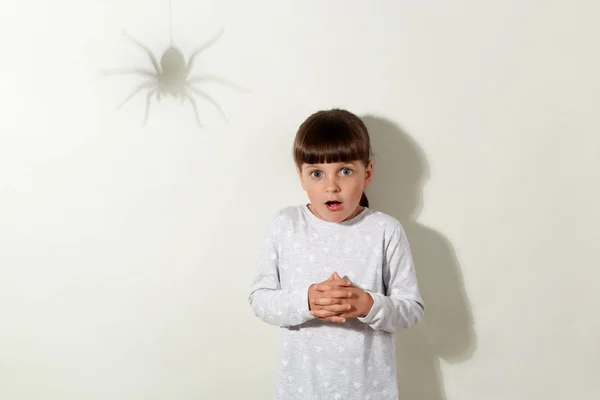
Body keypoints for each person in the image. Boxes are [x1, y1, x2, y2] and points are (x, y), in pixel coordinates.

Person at [248, 108, 424, 399]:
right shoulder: (285, 224)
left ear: (367, 173)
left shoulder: (385, 230)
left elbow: (410, 310)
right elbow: (260, 299)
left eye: (345, 171)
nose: (331, 186)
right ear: (301, 177)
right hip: (301, 391)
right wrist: (307, 301)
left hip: (369, 392)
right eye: (317, 173)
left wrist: (368, 305)